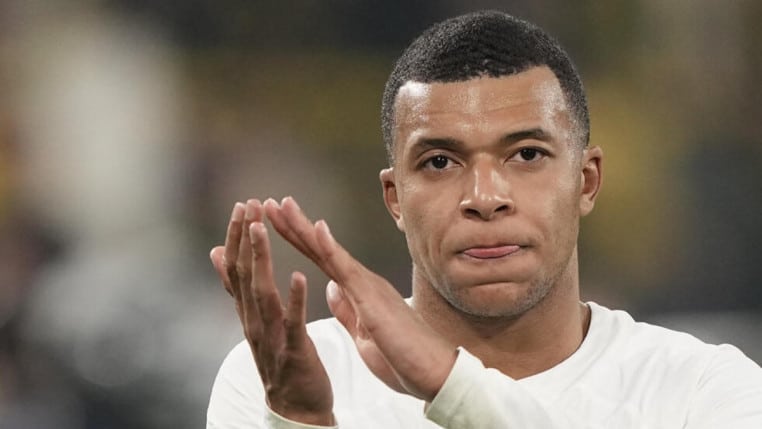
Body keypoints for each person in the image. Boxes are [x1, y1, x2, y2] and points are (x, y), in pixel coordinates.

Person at [206, 10, 762, 428]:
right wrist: (302, 421)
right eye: (440, 162)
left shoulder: (702, 390)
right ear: (395, 199)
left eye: (527, 154)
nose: (485, 197)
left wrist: (453, 386)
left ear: (587, 181)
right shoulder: (283, 378)